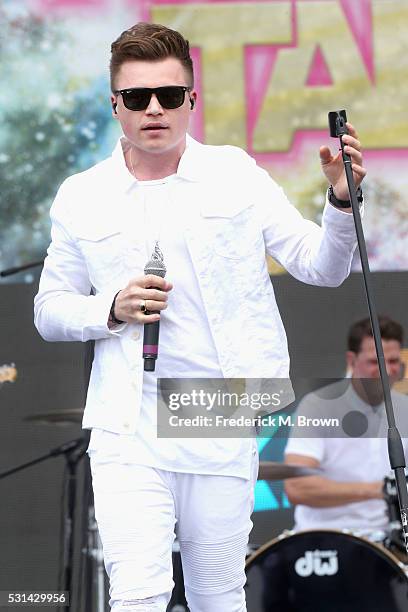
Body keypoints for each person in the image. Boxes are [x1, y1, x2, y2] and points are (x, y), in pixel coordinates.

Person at [34, 22, 366, 612]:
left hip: (215, 407)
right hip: (128, 418)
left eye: (169, 95)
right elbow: (49, 310)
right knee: (140, 594)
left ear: (193, 99)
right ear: (116, 105)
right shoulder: (81, 195)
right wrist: (110, 307)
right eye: (137, 98)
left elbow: (323, 267)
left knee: (217, 590)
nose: (154, 109)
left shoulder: (234, 172)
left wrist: (340, 202)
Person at [284, 316, 408, 535]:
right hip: (323, 541)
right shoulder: (318, 407)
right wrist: (383, 490)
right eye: (375, 362)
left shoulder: (405, 407)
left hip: (392, 545)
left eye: (393, 361)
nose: (387, 370)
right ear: (351, 361)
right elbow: (297, 487)